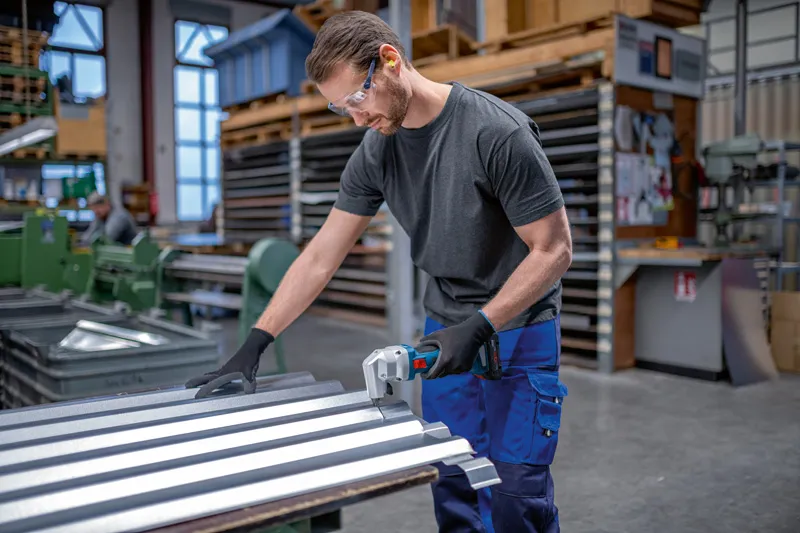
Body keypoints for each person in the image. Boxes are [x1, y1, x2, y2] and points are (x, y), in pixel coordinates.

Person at [185, 11, 572, 533]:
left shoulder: (496, 133)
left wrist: (482, 324)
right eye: (340, 106)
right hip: (445, 332)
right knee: (454, 481)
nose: (355, 117)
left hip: (519, 329)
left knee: (515, 497)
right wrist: (257, 340)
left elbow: (553, 250)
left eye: (356, 97)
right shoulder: (377, 150)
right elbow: (321, 255)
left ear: (389, 61)